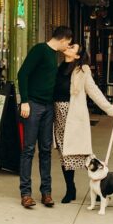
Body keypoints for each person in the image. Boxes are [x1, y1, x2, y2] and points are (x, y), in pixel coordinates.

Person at [54, 43, 113, 203]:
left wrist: (111, 110)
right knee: (65, 155)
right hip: (59, 116)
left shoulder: (82, 71)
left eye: (72, 47)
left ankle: (102, 187)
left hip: (74, 117)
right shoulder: (58, 68)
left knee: (85, 155)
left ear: (77, 56)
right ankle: (70, 189)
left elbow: (94, 92)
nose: (68, 47)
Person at [17, 25, 72, 209]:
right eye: (68, 43)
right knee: (29, 149)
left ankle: (46, 193)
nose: (68, 47)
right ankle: (26, 193)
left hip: (48, 107)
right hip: (33, 105)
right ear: (63, 39)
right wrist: (24, 101)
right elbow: (22, 73)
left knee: (46, 150)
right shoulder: (40, 50)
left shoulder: (54, 55)